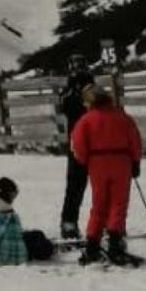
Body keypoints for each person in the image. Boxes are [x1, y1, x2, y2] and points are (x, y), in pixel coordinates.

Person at [71, 85, 144, 266]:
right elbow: (135, 140)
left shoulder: (86, 120)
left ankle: (92, 246)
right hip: (122, 161)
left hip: (97, 163)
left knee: (99, 204)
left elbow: (77, 145)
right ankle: (115, 245)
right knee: (119, 204)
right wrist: (135, 162)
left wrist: (83, 160)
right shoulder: (123, 117)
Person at [0, 177, 54, 266]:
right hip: (8, 253)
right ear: (8, 193)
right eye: (14, 194)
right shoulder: (3, 211)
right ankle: (51, 247)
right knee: (39, 239)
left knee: (35, 235)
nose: (14, 198)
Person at [57, 56, 96, 239]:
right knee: (79, 184)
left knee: (77, 184)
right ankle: (70, 223)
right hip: (85, 141)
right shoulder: (70, 90)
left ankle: (69, 223)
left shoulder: (73, 89)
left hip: (82, 141)